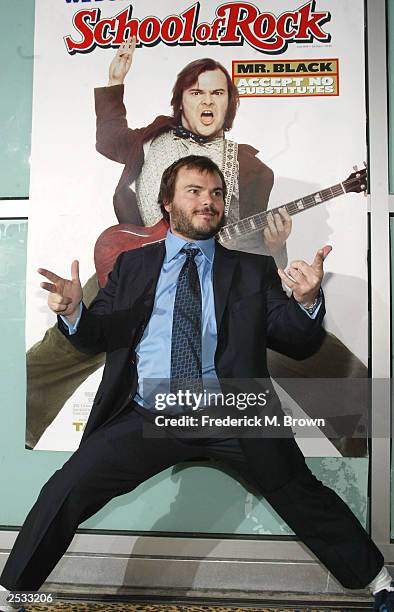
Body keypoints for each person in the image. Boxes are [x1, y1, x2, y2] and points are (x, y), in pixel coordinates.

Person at [1, 157, 392, 611]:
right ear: (168, 202)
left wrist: (306, 302)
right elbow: (98, 334)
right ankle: (14, 591)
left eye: (216, 193)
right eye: (194, 191)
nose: (208, 201)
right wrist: (73, 312)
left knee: (301, 493)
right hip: (150, 414)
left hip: (233, 414)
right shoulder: (133, 266)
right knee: (68, 487)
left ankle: (380, 582)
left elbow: (297, 341)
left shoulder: (251, 269)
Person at [26, 40, 367, 456]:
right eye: (197, 91)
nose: (208, 100)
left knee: (308, 353)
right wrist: (114, 83)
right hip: (134, 259)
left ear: (230, 102)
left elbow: (252, 247)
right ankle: (15, 428)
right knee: (60, 347)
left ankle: (367, 442)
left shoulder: (253, 168)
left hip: (214, 271)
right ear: (181, 101)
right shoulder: (151, 139)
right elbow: (109, 139)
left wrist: (277, 249)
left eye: (218, 92)